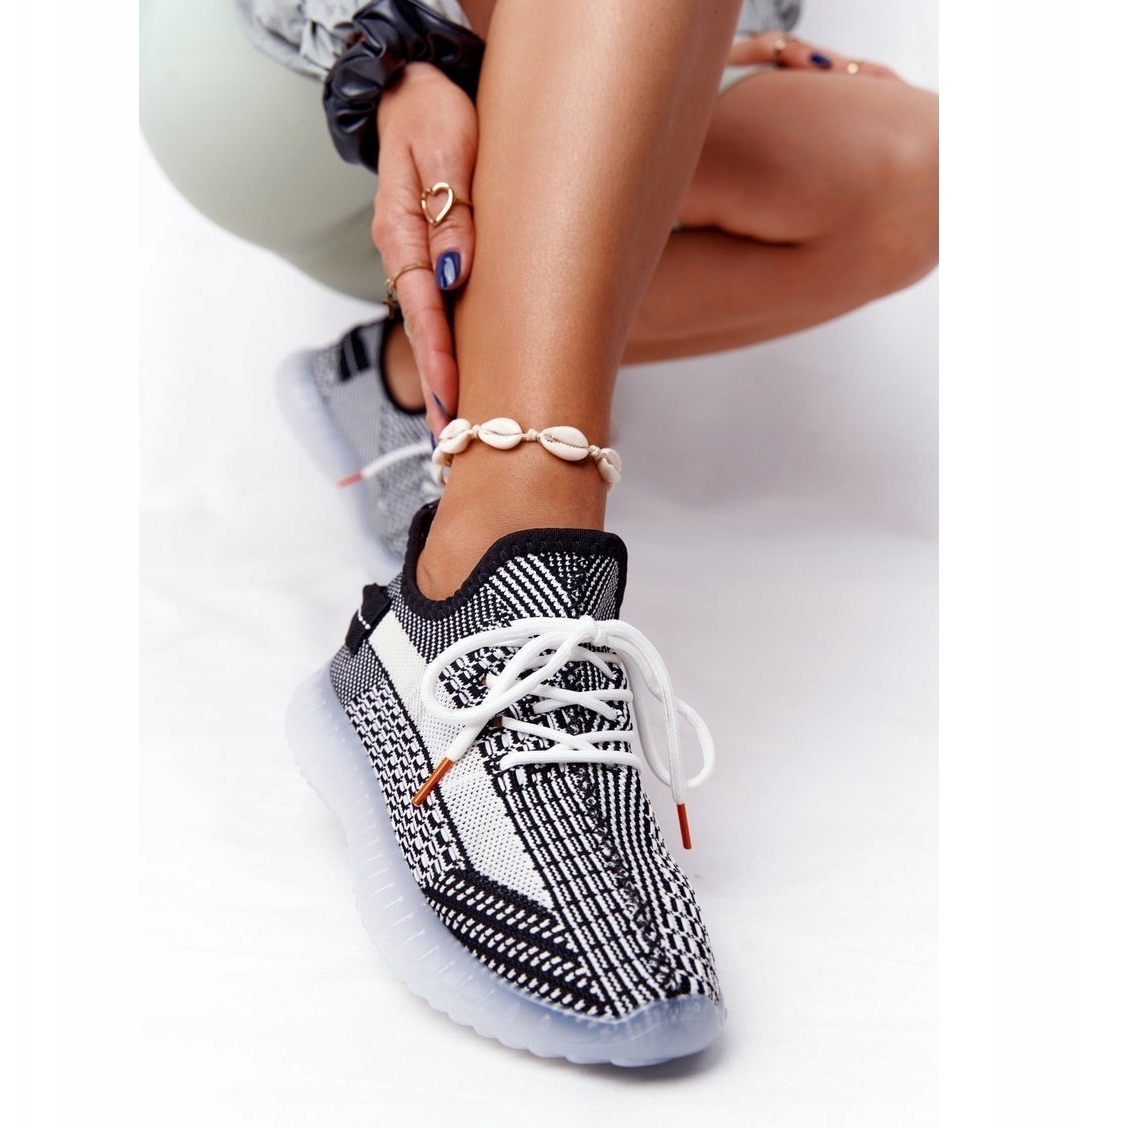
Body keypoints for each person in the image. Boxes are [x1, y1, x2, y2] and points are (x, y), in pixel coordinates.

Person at [140, 0, 937, 1065]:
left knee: (919, 177)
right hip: (296, 68)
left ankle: (404, 388)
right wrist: (393, 47)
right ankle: (482, 584)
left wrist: (677, 47)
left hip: (554, 99)